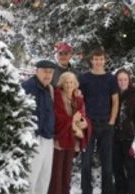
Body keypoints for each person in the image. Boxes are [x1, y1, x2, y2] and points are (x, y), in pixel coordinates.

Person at [79, 48, 119, 194]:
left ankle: (107, 191)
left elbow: (115, 101)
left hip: (106, 124)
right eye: (96, 59)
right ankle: (86, 191)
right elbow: (79, 99)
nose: (98, 62)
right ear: (91, 60)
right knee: (86, 162)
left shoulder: (111, 78)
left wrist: (112, 121)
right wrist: (81, 119)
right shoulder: (84, 78)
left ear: (104, 60)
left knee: (107, 164)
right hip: (88, 124)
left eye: (101, 59)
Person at [48, 72, 92, 194]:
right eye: (66, 82)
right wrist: (72, 120)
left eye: (71, 82)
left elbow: (83, 115)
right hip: (60, 138)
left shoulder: (77, 98)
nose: (69, 85)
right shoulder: (57, 95)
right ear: (62, 83)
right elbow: (56, 116)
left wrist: (85, 122)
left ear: (75, 84)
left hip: (72, 138)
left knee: (67, 171)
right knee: (56, 172)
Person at [21, 60, 56, 194]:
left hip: (48, 137)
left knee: (44, 177)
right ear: (37, 71)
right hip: (34, 138)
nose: (48, 75)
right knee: (31, 177)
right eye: (45, 71)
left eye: (50, 72)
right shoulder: (28, 86)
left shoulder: (49, 88)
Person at [113, 69, 135, 194]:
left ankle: (134, 191)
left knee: (132, 168)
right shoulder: (113, 93)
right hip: (114, 137)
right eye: (120, 79)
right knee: (117, 167)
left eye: (125, 79)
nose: (122, 82)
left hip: (129, 137)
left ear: (129, 80)